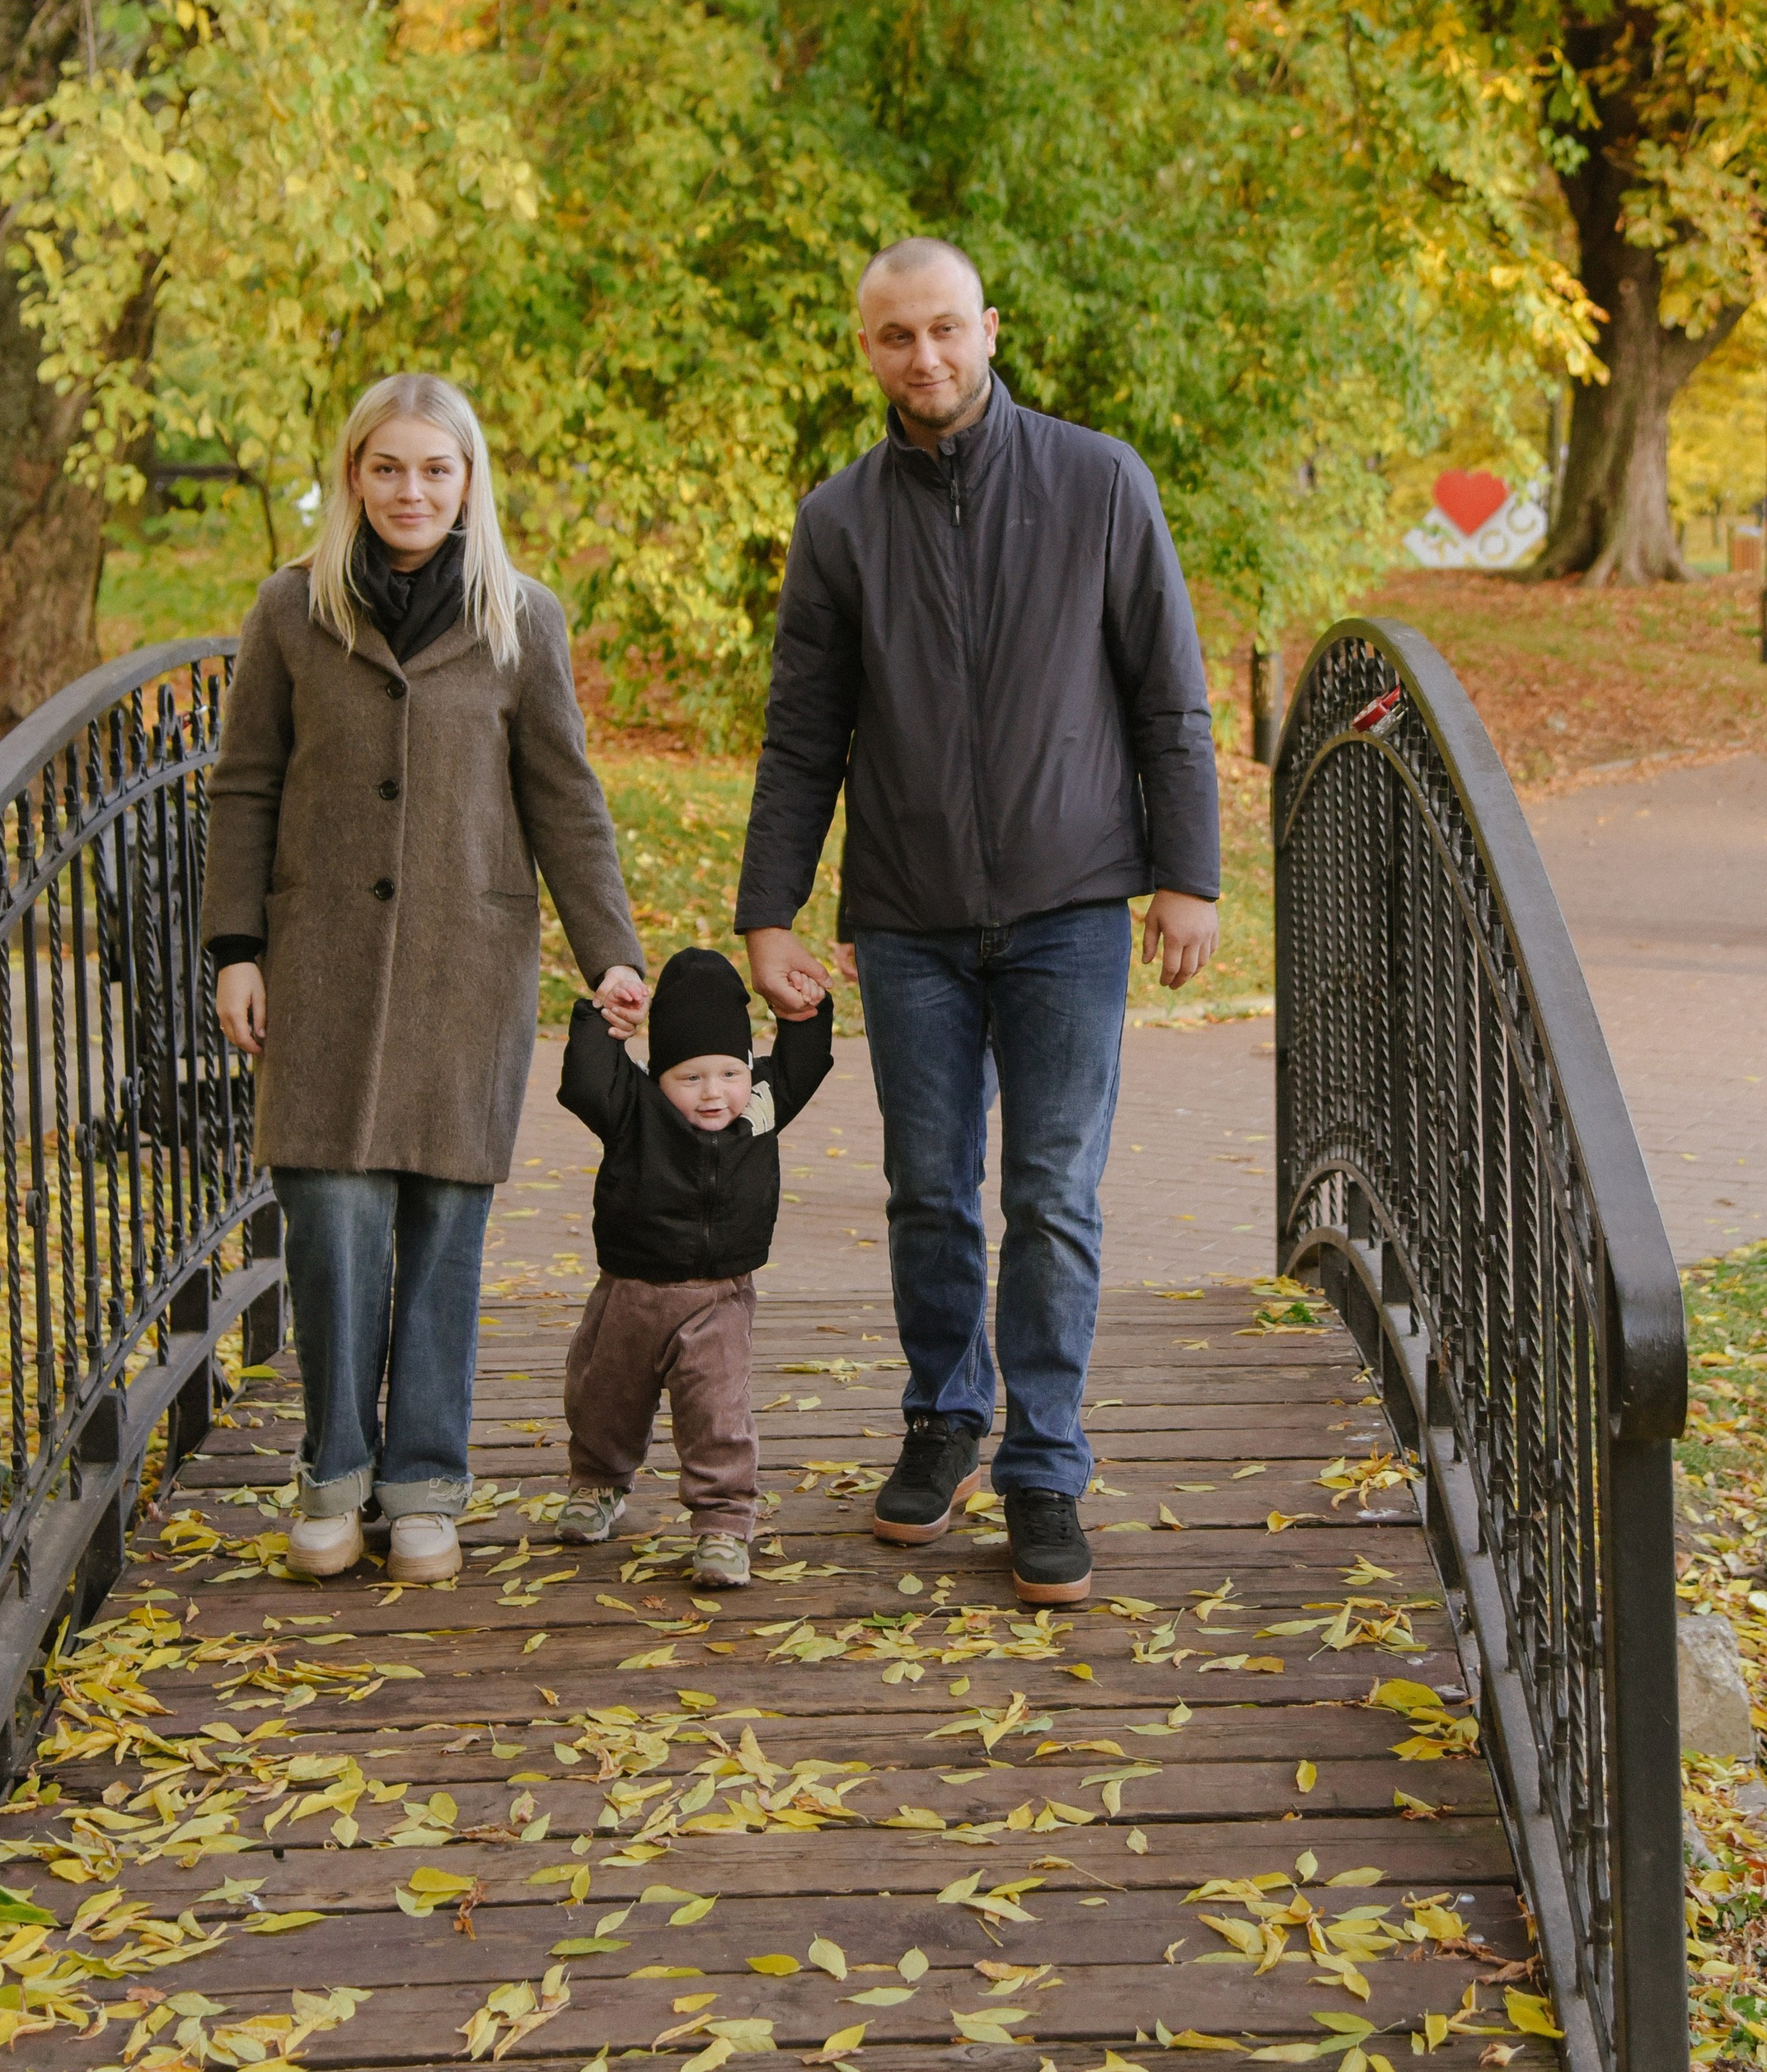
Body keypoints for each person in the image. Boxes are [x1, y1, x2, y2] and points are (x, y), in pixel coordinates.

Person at [734, 237, 1221, 1606]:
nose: (925, 358)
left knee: (1052, 1196)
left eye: (946, 329)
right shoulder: (842, 522)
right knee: (928, 1192)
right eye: (896, 337)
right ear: (868, 350)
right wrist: (769, 910)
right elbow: (800, 739)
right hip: (910, 917)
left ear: (990, 327)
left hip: (1073, 904)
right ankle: (946, 1418)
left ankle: (1045, 1466)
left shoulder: (1099, 483)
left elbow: (1168, 700)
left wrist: (1189, 874)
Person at [204, 374, 647, 1586]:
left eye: (435, 469)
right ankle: (334, 1476)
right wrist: (235, 948)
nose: (411, 490)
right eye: (388, 467)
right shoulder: (293, 610)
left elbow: (565, 797)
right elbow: (245, 784)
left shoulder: (522, 619)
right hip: (321, 968)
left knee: (446, 1232)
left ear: (469, 481)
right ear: (355, 474)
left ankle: (426, 1486)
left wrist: (610, 949)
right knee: (333, 1229)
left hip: (467, 965)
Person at [553, 945, 834, 1582]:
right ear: (660, 1076)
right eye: (691, 1077)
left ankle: (723, 1523)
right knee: (604, 1396)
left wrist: (802, 1010)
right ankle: (597, 1482)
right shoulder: (634, 1106)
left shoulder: (760, 1107)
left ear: (748, 1068)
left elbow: (804, 1060)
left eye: (729, 1072)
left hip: (720, 1296)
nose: (715, 1093)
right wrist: (603, 1017)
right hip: (631, 1288)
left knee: (718, 1412)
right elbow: (586, 1078)